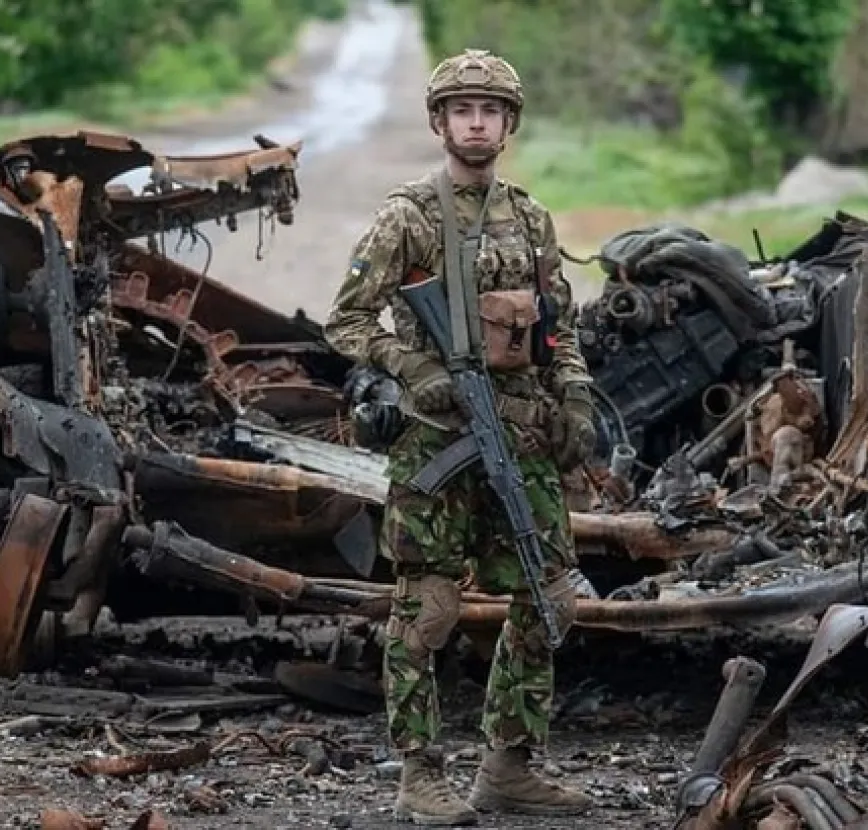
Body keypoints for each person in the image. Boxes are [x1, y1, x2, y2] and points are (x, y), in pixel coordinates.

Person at [323, 48, 598, 826]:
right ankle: (418, 774)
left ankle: (508, 765)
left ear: (508, 124)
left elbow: (559, 327)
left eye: (489, 110)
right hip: (437, 437)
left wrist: (573, 396)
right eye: (461, 110)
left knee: (549, 601)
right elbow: (346, 319)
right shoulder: (407, 214)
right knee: (427, 609)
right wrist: (411, 365)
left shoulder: (532, 217)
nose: (475, 122)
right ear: (439, 122)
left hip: (523, 433)